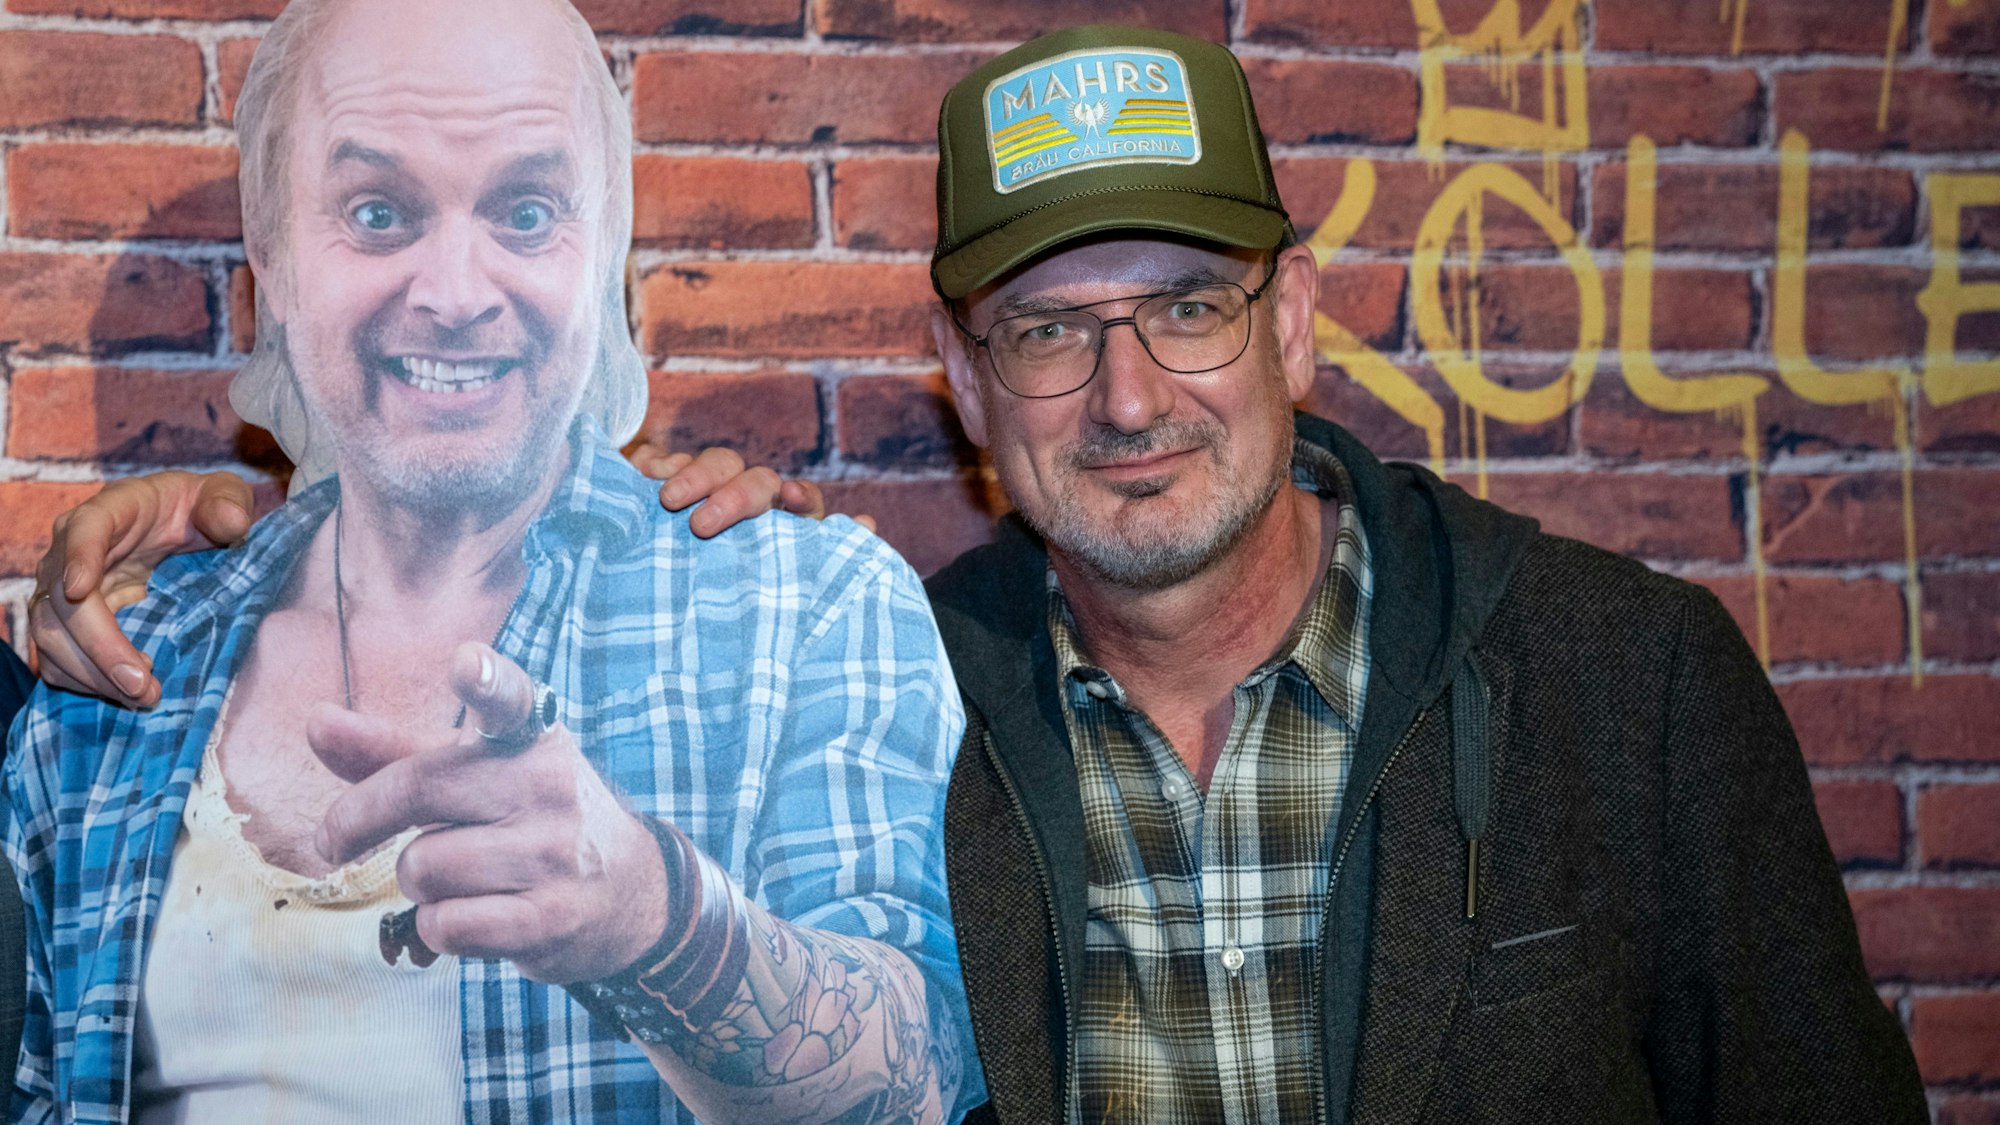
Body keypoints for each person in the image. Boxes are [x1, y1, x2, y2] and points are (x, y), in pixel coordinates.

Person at [25, 23, 1926, 1125]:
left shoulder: (1627, 681)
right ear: (963, 382)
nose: (1127, 397)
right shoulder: (906, 676)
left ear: (1297, 327)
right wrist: (247, 531)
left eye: (1187, 306)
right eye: (1042, 332)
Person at [3, 0, 975, 1122]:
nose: (456, 295)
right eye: (377, 213)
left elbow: (922, 1073)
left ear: (602, 248)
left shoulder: (805, 611)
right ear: (269, 256)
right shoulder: (115, 680)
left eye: (524, 211)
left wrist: (661, 927)